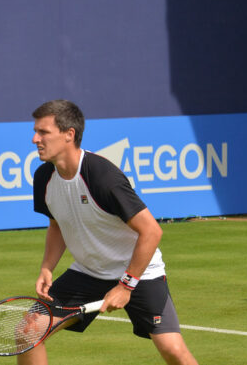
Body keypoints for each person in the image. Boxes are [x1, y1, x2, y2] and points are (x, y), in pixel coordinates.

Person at [26, 100, 198, 364]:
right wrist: (47, 267)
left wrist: (126, 285)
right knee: (28, 333)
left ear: (69, 134)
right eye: (36, 131)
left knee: (172, 349)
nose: (35, 138)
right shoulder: (43, 178)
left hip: (139, 272)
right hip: (88, 272)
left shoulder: (102, 176)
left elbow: (151, 231)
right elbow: (57, 224)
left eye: (43, 132)